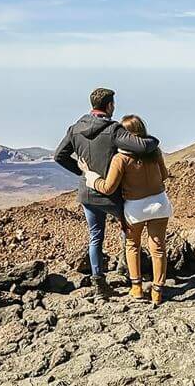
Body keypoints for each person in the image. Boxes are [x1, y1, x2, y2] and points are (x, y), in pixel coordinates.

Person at [54, 88, 160, 300]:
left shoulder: (75, 128)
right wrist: (154, 141)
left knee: (95, 237)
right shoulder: (113, 130)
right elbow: (141, 146)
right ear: (109, 105)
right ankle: (129, 273)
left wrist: (82, 172)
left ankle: (99, 284)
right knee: (128, 232)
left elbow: (59, 155)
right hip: (112, 194)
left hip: (87, 193)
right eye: (113, 104)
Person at [78, 114, 173, 304]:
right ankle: (157, 292)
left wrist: (89, 175)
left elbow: (108, 187)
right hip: (160, 204)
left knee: (133, 246)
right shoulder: (155, 152)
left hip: (135, 208)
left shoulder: (120, 158)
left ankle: (136, 289)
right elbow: (164, 175)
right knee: (159, 249)